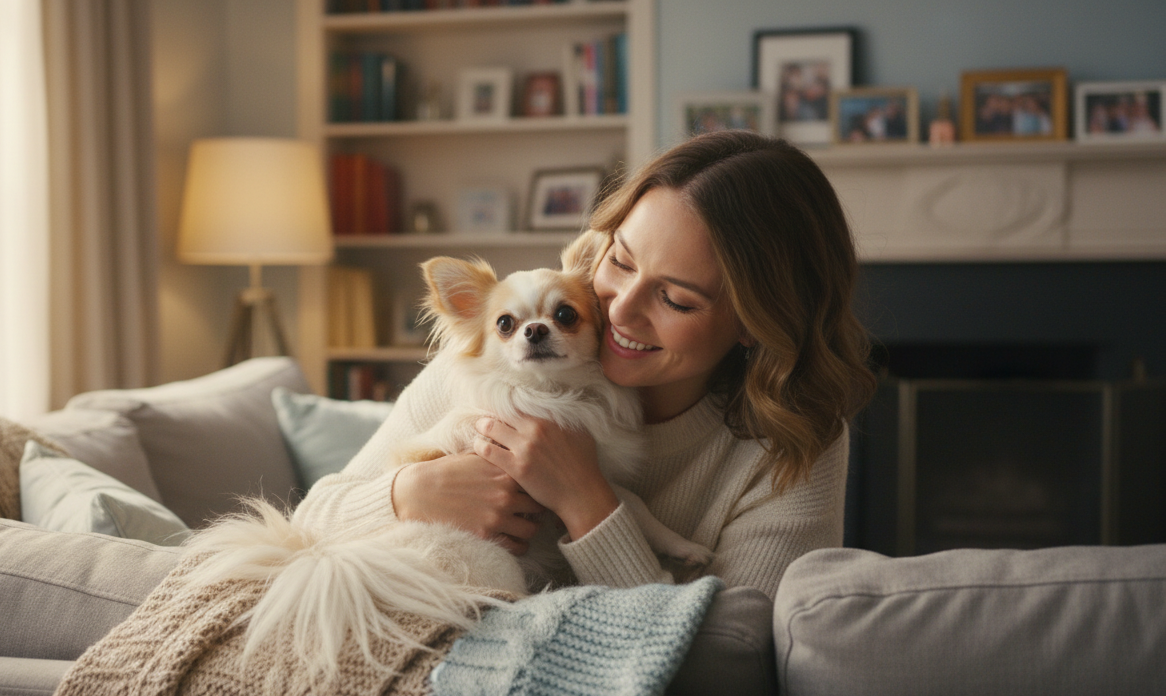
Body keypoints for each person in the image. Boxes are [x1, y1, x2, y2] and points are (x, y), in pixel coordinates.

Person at [292, 131, 877, 599]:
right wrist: (410, 492)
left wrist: (586, 501)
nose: (618, 309)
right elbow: (310, 522)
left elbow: (737, 663)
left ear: (758, 321)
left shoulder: (794, 446)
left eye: (675, 299)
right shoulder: (485, 370)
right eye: (620, 262)